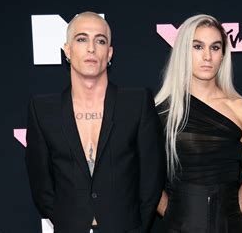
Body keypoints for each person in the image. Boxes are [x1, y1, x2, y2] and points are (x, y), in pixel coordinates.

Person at [25, 12, 165, 233]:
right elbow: (41, 185)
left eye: (100, 40)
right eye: (81, 39)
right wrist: (69, 221)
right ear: (67, 50)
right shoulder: (43, 109)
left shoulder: (136, 102)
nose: (91, 48)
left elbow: (152, 176)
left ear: (109, 53)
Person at [154, 14, 242, 232]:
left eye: (215, 47)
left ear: (223, 55)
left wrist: (232, 213)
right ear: (184, 52)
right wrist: (176, 216)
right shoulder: (161, 112)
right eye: (198, 46)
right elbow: (146, 177)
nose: (207, 56)